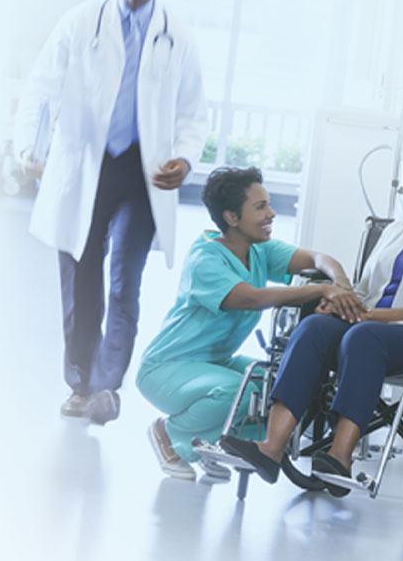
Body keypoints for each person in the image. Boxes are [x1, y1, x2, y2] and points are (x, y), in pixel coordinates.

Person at [219, 148, 403, 493]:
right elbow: (366, 289)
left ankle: (340, 455)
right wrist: (339, 305)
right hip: (368, 327)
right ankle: (271, 448)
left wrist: (371, 316)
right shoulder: (399, 230)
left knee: (365, 336)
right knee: (313, 327)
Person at [14, 0, 208, 425]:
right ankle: (80, 383)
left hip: (143, 170)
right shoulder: (81, 22)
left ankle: (107, 385)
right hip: (85, 162)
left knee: (125, 278)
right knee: (81, 276)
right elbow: (41, 86)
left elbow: (192, 110)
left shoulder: (176, 35)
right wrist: (28, 144)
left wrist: (185, 157)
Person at [136, 166, 365, 480]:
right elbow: (249, 298)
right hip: (167, 367)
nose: (271, 213)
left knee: (274, 386)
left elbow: (318, 259)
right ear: (232, 217)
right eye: (261, 207)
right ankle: (170, 435)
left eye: (268, 204)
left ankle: (207, 441)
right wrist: (319, 290)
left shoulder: (257, 250)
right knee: (236, 392)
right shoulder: (206, 259)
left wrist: (340, 286)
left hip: (215, 362)